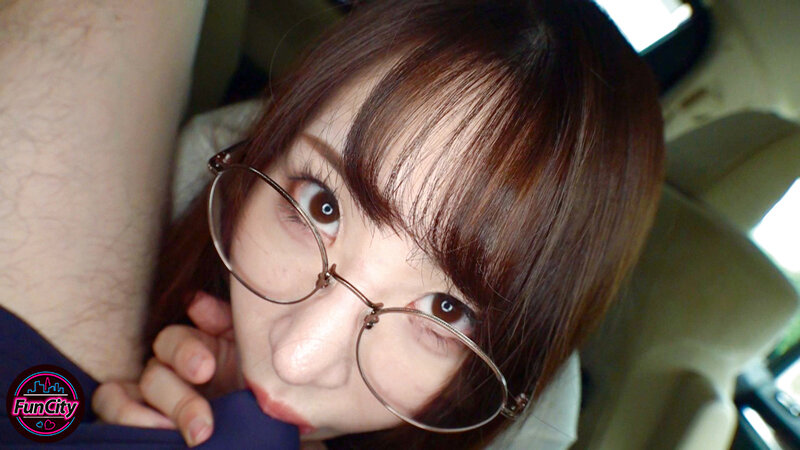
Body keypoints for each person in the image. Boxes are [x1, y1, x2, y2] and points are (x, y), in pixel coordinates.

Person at [1, 0, 664, 449]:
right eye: (322, 207)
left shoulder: (523, 423)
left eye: (445, 310)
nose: (296, 358)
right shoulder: (202, 182)